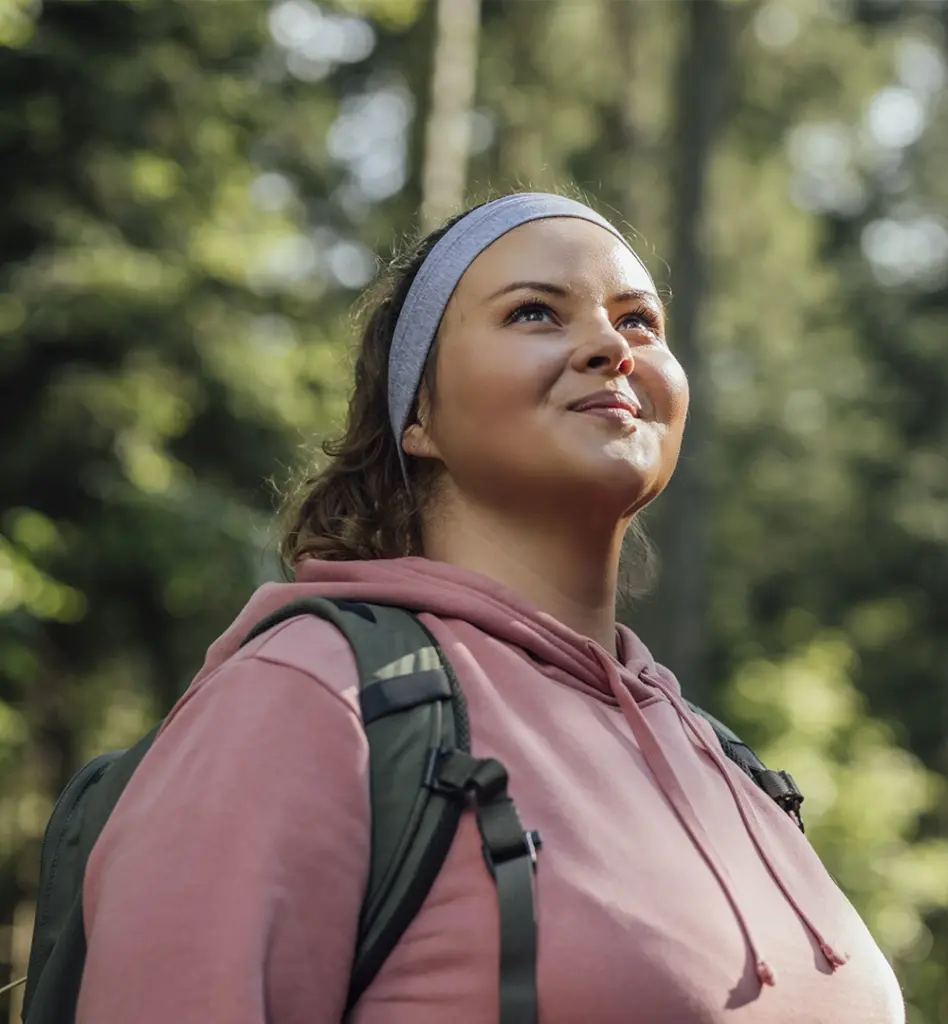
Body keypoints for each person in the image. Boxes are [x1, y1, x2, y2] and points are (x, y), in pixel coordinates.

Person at [76, 192, 904, 1023]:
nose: (610, 346)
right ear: (418, 416)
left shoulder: (728, 763)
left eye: (640, 320)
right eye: (537, 311)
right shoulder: (312, 698)